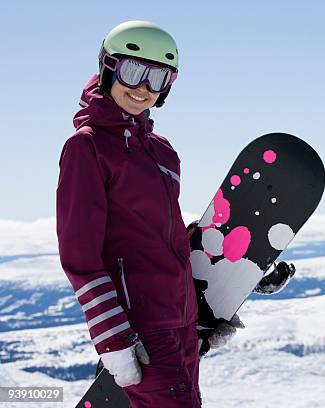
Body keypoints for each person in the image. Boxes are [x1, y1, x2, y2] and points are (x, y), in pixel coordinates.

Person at [56, 20, 295, 407]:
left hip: (182, 324)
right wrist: (113, 341)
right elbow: (79, 257)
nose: (143, 88)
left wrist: (239, 271)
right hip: (141, 330)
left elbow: (162, 241)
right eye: (133, 71)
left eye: (158, 78)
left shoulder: (162, 152)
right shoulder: (87, 148)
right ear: (108, 68)